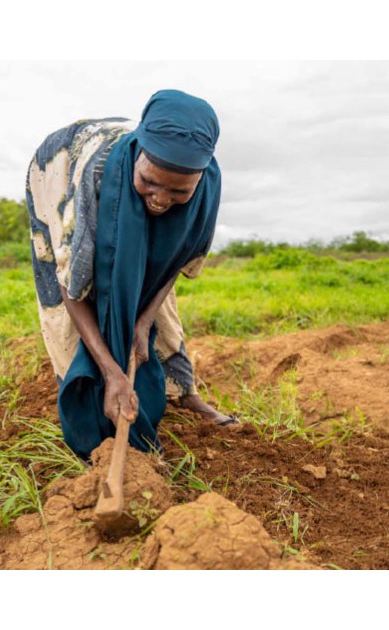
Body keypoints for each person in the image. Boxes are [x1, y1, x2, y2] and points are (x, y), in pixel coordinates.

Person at [25, 89, 239, 462]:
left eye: (179, 190)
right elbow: (70, 287)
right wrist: (112, 372)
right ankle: (83, 401)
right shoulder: (93, 177)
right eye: (150, 181)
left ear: (199, 179)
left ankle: (183, 391)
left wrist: (142, 323)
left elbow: (174, 263)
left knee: (152, 292)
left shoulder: (207, 187)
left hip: (121, 180)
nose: (160, 198)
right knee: (69, 293)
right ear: (138, 155)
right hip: (60, 171)